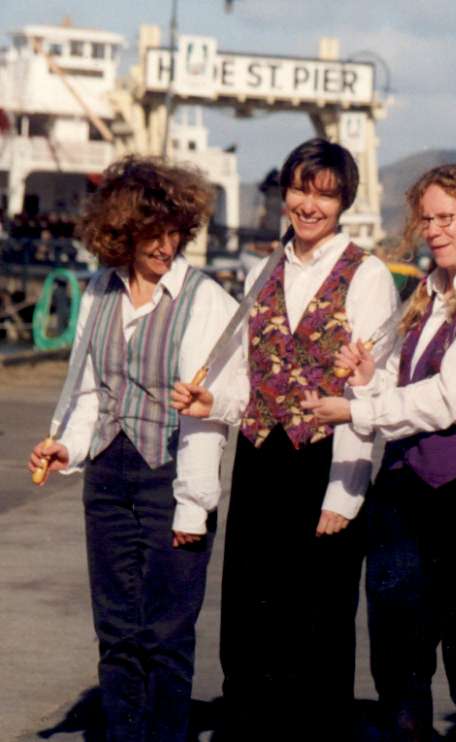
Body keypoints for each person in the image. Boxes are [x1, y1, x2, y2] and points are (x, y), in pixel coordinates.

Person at [301, 162, 456, 741]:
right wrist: (367, 381)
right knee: (398, 659)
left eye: (447, 218)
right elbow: (403, 395)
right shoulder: (430, 295)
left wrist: (356, 410)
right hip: (406, 493)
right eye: (426, 218)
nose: (433, 230)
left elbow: (450, 400)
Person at [171, 138, 398, 739]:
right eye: (300, 190)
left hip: (325, 463)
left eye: (324, 194)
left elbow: (368, 393)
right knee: (249, 618)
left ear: (345, 199)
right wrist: (211, 402)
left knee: (318, 625)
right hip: (259, 456)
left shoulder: (367, 274)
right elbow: (248, 379)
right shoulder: (262, 267)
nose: (309, 204)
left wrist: (343, 498)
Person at [28, 156, 236, 742]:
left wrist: (194, 507)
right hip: (109, 477)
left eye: (176, 232)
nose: (167, 246)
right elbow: (89, 388)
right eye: (153, 233)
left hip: (171, 474)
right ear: (121, 231)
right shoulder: (99, 291)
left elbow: (207, 417)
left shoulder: (204, 301)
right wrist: (66, 448)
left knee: (167, 635)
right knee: (117, 631)